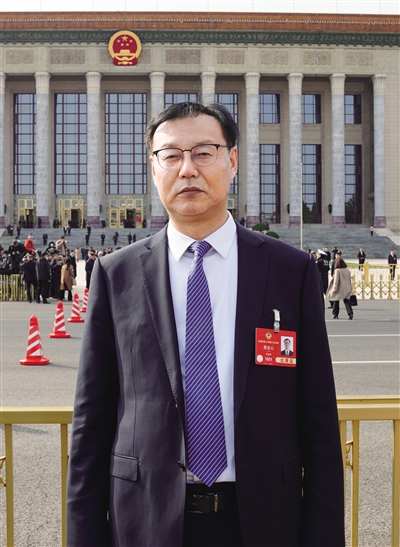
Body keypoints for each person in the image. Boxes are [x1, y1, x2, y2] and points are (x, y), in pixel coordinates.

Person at [67, 102, 344, 547]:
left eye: (203, 153)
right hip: (146, 520)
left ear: (232, 160)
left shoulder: (288, 271)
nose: (187, 169)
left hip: (264, 520)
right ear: (153, 168)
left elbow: (319, 424)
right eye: (171, 156)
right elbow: (91, 424)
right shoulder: (117, 274)